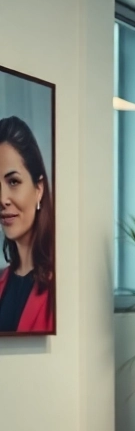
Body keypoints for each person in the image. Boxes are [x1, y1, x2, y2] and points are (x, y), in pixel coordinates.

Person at [0, 116, 55, 334]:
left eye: (13, 182)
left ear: (38, 189)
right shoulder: (3, 281)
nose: (2, 198)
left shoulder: (59, 285)